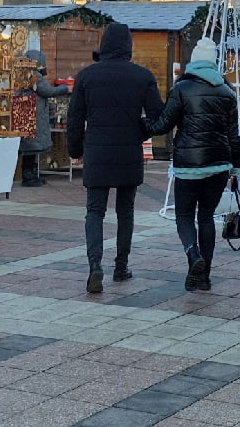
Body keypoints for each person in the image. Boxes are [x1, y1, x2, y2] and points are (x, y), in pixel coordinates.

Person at [67, 23, 163, 294]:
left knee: (95, 211)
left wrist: (75, 150)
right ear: (128, 47)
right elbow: (159, 118)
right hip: (128, 153)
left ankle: (94, 266)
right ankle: (121, 267)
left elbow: (75, 118)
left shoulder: (86, 77)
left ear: (104, 45)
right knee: (126, 211)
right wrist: (141, 128)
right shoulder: (142, 77)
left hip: (97, 151)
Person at [144, 37, 240, 291]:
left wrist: (140, 125)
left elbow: (162, 125)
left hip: (189, 165)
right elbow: (234, 135)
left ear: (194, 61)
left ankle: (193, 255)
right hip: (220, 165)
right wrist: (236, 168)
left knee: (184, 215)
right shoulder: (227, 92)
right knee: (207, 216)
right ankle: (204, 276)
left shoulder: (182, 89)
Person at [17, 49, 70, 188]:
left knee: (30, 147)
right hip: (34, 116)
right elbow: (48, 91)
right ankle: (29, 177)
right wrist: (65, 88)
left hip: (27, 114)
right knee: (31, 147)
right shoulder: (34, 75)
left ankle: (32, 175)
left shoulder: (23, 74)